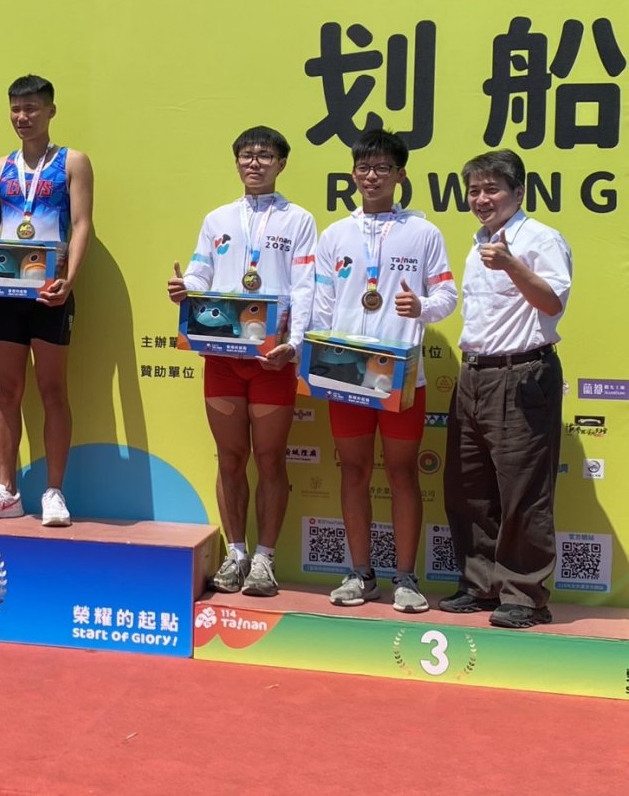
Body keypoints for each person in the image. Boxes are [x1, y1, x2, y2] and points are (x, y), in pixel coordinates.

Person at [166, 126, 316, 597]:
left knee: (270, 458)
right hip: (223, 355)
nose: (255, 163)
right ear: (236, 162)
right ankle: (236, 553)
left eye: (265, 156)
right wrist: (186, 287)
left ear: (282, 163)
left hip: (273, 357)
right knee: (230, 457)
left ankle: (265, 560)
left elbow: (306, 287)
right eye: (247, 156)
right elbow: (201, 271)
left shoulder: (299, 220)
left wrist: (296, 343)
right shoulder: (218, 218)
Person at [312, 128, 457, 613]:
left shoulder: (423, 232)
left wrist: (422, 307)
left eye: (382, 168)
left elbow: (447, 296)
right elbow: (322, 306)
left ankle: (407, 578)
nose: (371, 176)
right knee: (353, 471)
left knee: (402, 473)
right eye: (363, 167)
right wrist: (316, 356)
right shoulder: (335, 234)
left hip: (401, 375)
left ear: (400, 175)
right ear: (353, 174)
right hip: (345, 372)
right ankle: (360, 573)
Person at [0, 74, 93, 528]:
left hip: (51, 292)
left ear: (51, 111)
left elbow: (83, 224)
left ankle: (54, 492)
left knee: (53, 391)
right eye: (15, 108)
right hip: (5, 294)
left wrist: (69, 280)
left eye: (31, 108)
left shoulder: (73, 162)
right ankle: (6, 490)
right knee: (7, 392)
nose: (22, 117)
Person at [440, 149, 571, 628]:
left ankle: (525, 595)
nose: (481, 198)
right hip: (474, 373)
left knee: (523, 491)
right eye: (474, 190)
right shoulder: (478, 243)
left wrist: (513, 265)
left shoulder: (540, 239)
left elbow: (552, 302)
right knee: (467, 487)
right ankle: (481, 585)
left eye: (492, 189)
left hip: (522, 374)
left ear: (518, 192)